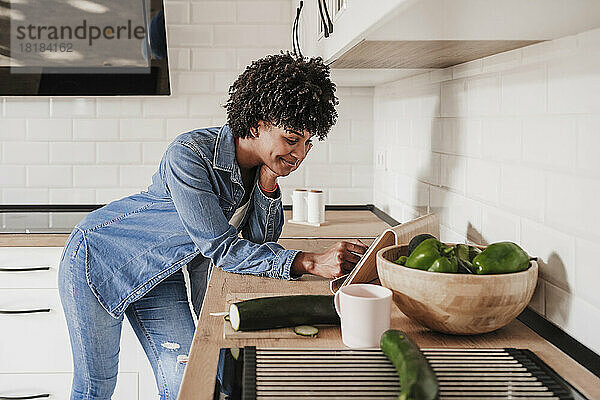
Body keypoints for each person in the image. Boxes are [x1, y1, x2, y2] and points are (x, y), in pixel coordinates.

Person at [57, 53, 368, 400]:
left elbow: (258, 241)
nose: (300, 154)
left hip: (161, 271)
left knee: (184, 383)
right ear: (256, 125)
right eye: (292, 139)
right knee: (96, 386)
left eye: (308, 143)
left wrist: (267, 184)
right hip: (98, 259)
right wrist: (308, 261)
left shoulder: (259, 166)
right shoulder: (189, 153)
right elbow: (219, 247)